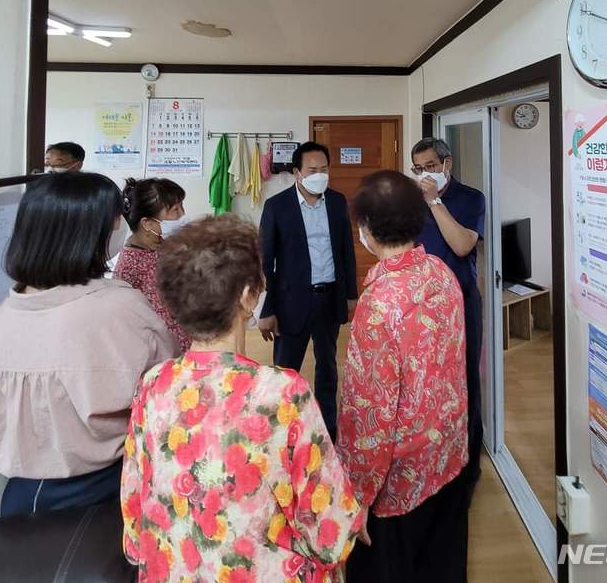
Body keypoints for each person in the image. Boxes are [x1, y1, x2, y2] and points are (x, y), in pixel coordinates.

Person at [121, 214, 364, 582]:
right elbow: (329, 533)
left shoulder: (153, 384)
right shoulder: (282, 394)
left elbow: (135, 519)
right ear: (249, 295)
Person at [0, 172, 177, 518]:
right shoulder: (118, 306)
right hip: (105, 489)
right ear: (90, 231)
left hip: (19, 497)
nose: (121, 223)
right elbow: (167, 385)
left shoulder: (3, 313)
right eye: (114, 217)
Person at [336, 170, 469, 583]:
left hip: (400, 479)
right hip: (448, 455)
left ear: (366, 229)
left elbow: (368, 416)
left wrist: (355, 495)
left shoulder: (379, 303)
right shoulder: (441, 274)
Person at [258, 141, 357, 439]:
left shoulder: (338, 202)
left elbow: (346, 252)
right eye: (313, 170)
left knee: (328, 366)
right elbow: (267, 262)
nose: (320, 175)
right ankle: (280, 429)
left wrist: (351, 295)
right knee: (285, 372)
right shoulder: (277, 206)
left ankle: (327, 430)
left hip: (329, 297)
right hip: (291, 302)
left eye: (324, 169)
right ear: (297, 173)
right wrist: (267, 309)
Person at [412, 137, 486, 500]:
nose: (424, 174)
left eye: (429, 166)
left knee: (466, 381)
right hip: (423, 306)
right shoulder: (414, 202)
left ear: (447, 163)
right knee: (429, 382)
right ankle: (434, 460)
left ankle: (469, 469)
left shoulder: (471, 199)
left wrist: (435, 202)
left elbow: (461, 245)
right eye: (418, 169)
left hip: (461, 302)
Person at [114, 177, 191, 353]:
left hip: (185, 343)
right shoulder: (129, 264)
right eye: (175, 210)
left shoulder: (166, 247)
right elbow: (125, 319)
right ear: (147, 223)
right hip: (157, 352)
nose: (183, 214)